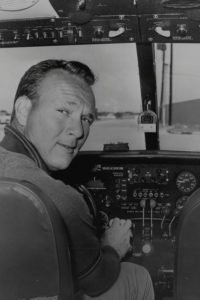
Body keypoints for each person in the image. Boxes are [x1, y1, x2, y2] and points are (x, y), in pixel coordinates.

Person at [0, 59, 154, 300]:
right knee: (139, 275)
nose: (79, 131)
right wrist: (112, 246)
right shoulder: (60, 197)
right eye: (64, 111)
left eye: (86, 119)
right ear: (23, 110)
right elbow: (95, 281)